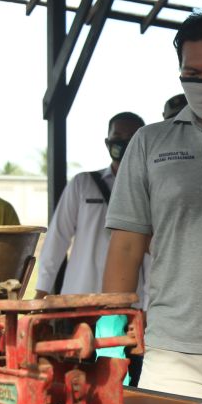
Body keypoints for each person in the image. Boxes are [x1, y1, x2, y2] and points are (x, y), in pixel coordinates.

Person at [104, 10, 202, 401]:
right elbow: (126, 245)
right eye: (193, 74)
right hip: (176, 349)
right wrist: (111, 331)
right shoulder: (151, 143)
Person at [36, 113, 145, 296]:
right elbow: (57, 237)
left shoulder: (149, 188)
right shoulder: (82, 184)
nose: (124, 143)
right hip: (80, 294)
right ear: (107, 142)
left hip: (132, 299)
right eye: (117, 138)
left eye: (131, 138)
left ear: (142, 142)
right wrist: (41, 289)